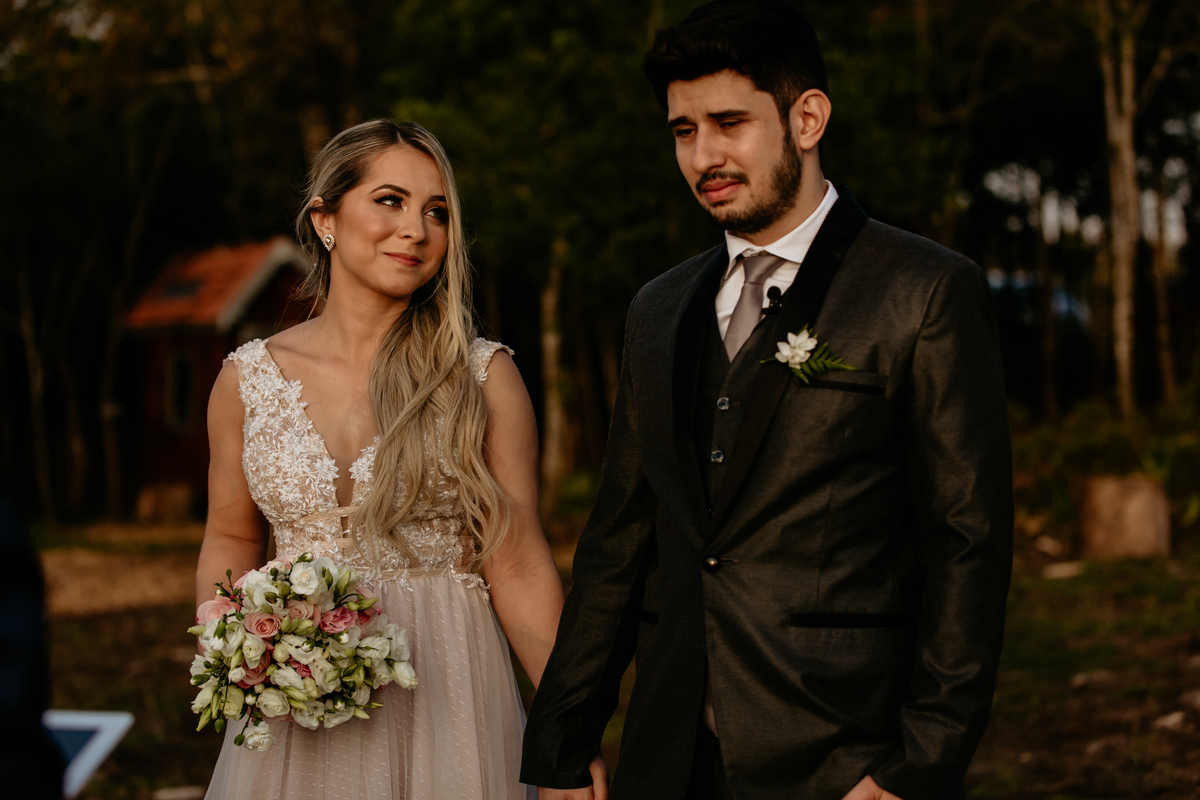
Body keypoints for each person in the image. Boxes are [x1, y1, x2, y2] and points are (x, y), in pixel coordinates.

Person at [521, 2, 1013, 799]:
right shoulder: (657, 308)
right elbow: (619, 540)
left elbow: (967, 543)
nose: (703, 155)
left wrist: (915, 768)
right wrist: (562, 747)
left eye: (728, 122)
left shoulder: (922, 290)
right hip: (670, 753)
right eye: (683, 131)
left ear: (807, 117)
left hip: (843, 750)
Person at [198, 119, 565, 800]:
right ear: (326, 218)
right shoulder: (247, 379)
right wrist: (235, 651)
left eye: (437, 212)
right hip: (294, 711)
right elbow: (230, 534)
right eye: (390, 201)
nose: (417, 230)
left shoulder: (482, 377)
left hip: (450, 693)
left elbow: (516, 562)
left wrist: (571, 729)